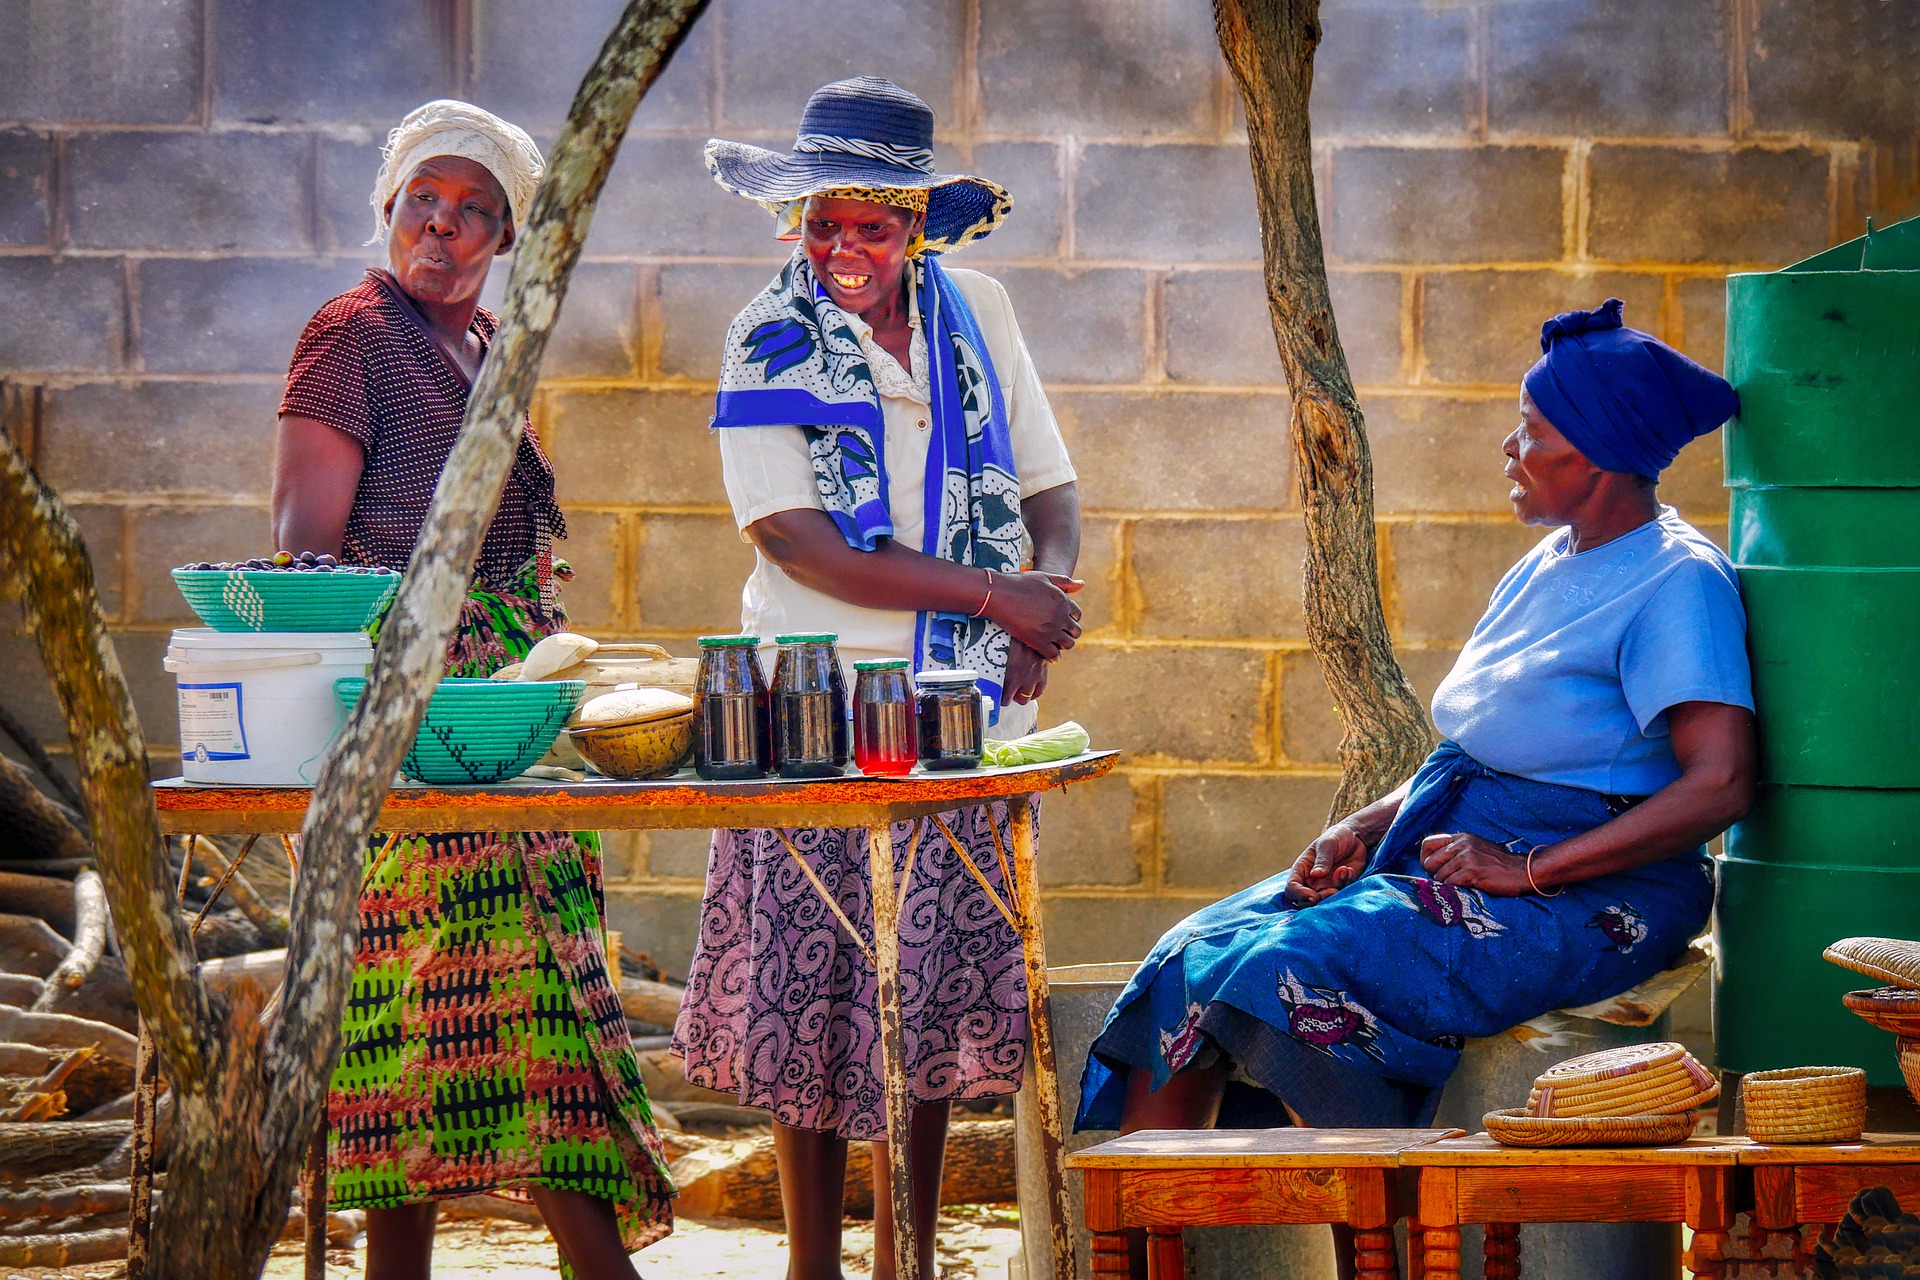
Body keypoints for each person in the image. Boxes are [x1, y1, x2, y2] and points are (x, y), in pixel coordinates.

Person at [1076, 298, 1756, 1279]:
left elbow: (1719, 784)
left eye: (1536, 429)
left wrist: (1528, 868)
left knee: (1288, 969)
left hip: (1595, 887)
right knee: (1191, 953)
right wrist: (1371, 818)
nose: (1510, 446)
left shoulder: (1676, 581)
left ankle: (1380, 1263)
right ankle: (1139, 1260)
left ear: (1602, 454)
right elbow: (1479, 743)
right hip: (1457, 845)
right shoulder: (1549, 560)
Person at [668, 77, 1082, 1280]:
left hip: (958, 702)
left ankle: (905, 1245)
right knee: (810, 981)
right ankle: (811, 1261)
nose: (846, 248)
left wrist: (1043, 603)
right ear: (792, 223)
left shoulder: (981, 311)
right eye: (821, 223)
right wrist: (998, 597)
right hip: (814, 704)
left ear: (918, 222)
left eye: (874, 223)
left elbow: (1049, 484)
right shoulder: (767, 333)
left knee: (936, 983)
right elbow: (803, 543)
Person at [270, 99, 672, 1280]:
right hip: (416, 723)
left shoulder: (488, 343)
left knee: (445, 1018)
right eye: (422, 206)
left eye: (473, 215)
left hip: (503, 725)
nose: (441, 231)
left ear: (505, 237)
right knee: (466, 1009)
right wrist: (397, 695)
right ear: (387, 209)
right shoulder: (351, 334)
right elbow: (302, 561)